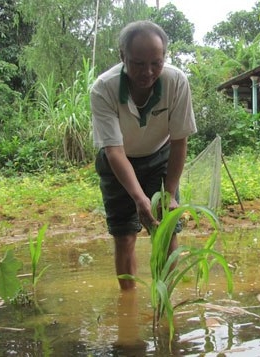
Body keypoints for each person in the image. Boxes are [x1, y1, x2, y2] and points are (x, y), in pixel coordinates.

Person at [90, 21, 197, 290]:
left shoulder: (176, 82)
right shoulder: (104, 88)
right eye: (138, 63)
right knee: (124, 235)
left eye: (156, 63)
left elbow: (179, 140)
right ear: (122, 57)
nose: (147, 72)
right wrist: (139, 199)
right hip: (118, 162)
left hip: (160, 158)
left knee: (167, 230)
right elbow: (114, 150)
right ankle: (129, 303)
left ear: (164, 58)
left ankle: (165, 301)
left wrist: (170, 194)